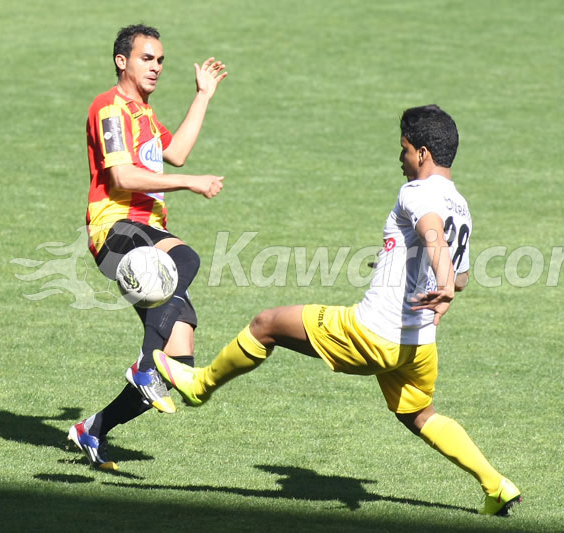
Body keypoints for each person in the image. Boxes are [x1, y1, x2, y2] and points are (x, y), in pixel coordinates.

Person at [154, 105, 522, 515]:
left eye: (402, 150)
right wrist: (407, 269)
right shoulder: (462, 206)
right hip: (418, 347)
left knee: (266, 324)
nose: (399, 159)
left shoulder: (417, 193)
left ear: (421, 153)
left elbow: (433, 236)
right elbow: (461, 275)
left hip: (373, 333)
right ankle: (496, 484)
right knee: (420, 415)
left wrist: (441, 277)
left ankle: (199, 386)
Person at [67, 24, 228, 470]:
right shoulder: (109, 108)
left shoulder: (146, 115)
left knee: (179, 362)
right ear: (123, 61)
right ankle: (142, 365)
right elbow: (122, 178)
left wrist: (203, 95)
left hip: (144, 232)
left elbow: (175, 152)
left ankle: (92, 429)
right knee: (186, 257)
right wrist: (191, 184)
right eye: (146, 58)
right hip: (115, 228)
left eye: (160, 60)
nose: (156, 66)